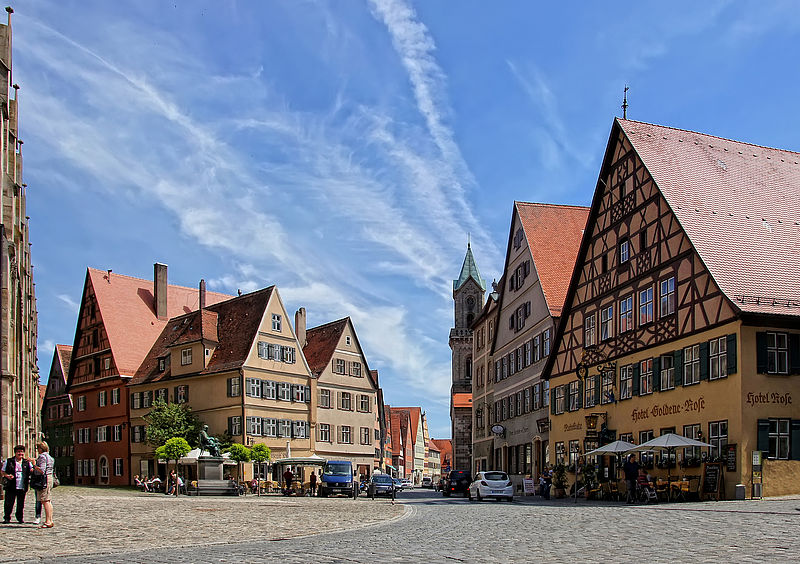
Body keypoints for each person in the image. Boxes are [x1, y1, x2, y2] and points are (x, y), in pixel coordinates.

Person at [2, 445, 33, 524]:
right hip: (11, 485)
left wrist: (33, 463)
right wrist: (7, 476)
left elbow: (31, 470)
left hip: (22, 485)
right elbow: (2, 471)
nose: (20, 454)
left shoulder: (26, 462)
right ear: (15, 453)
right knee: (9, 503)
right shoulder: (9, 461)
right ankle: (7, 517)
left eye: (22, 452)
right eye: (19, 452)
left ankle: (20, 518)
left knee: (20, 504)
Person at [31, 441, 55, 528]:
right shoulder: (50, 457)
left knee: (45, 500)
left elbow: (42, 470)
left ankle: (48, 521)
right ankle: (50, 520)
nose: (37, 450)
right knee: (47, 500)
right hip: (49, 478)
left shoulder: (42, 457)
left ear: (40, 449)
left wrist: (34, 465)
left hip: (44, 479)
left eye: (38, 448)